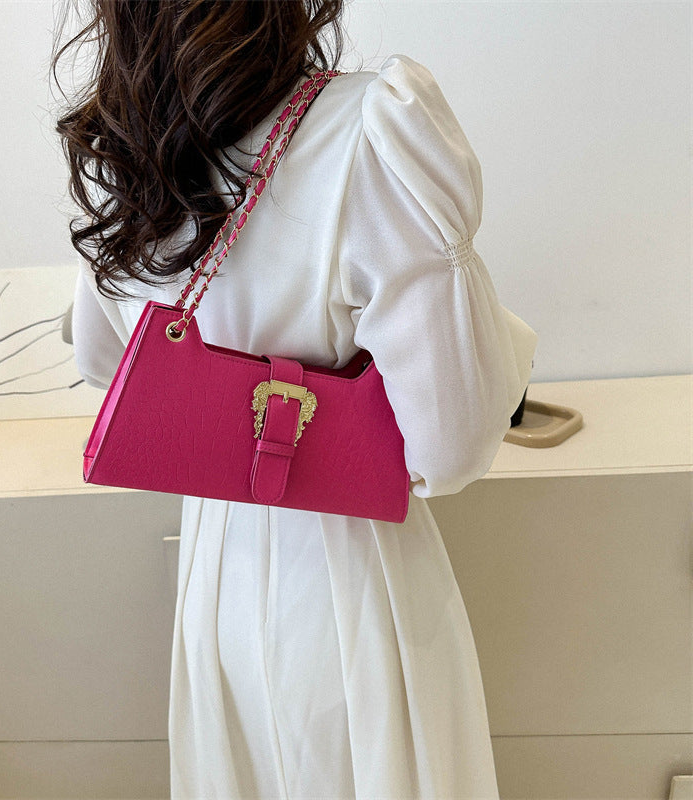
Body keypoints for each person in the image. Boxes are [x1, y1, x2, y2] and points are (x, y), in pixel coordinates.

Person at [53, 1, 538, 796]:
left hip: (217, 567)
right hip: (352, 569)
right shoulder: (373, 129)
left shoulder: (121, 146)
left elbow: (108, 366)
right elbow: (451, 447)